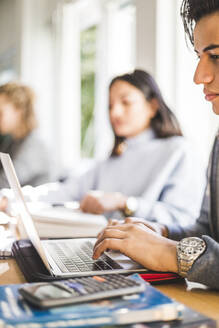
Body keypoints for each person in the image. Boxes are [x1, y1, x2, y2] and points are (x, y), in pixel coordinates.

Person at [92, 0, 219, 290]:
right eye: (200, 57)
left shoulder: (177, 150)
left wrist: (169, 252)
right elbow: (208, 231)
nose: (199, 76)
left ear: (152, 106)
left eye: (217, 56)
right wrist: (160, 232)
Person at [37, 69, 205, 225]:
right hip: (103, 247)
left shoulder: (179, 151)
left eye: (126, 102)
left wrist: (125, 203)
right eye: (110, 105)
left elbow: (184, 220)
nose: (114, 113)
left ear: (153, 106)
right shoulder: (114, 158)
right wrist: (16, 198)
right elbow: (68, 191)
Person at [0, 82, 51, 187]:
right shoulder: (11, 141)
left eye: (1, 113)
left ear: (19, 110)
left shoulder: (34, 146)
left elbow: (5, 183)